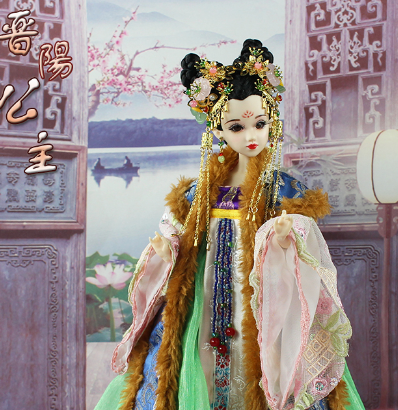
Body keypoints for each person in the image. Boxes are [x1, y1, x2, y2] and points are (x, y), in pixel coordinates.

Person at [95, 39, 364, 410]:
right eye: (237, 127)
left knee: (264, 359)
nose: (251, 136)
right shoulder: (200, 191)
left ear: (271, 122)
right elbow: (180, 231)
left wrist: (284, 239)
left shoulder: (281, 189)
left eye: (259, 124)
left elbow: (304, 242)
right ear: (218, 130)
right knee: (195, 359)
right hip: (204, 296)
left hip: (260, 297)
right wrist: (168, 249)